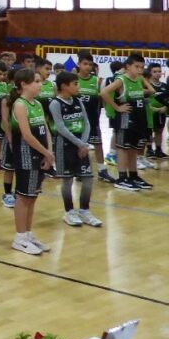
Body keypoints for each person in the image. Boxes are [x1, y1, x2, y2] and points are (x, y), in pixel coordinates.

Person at [48, 71, 102, 229]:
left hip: (81, 145)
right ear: (64, 86)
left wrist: (83, 144)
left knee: (88, 179)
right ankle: (69, 211)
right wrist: (80, 144)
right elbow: (60, 127)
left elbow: (87, 123)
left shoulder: (78, 100)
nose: (78, 86)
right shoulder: (55, 104)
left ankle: (84, 210)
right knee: (67, 180)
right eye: (75, 84)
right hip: (64, 145)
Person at [8, 69, 53, 255]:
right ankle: (19, 238)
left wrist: (49, 152)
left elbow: (46, 129)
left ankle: (27, 234)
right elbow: (26, 135)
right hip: (26, 156)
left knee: (32, 196)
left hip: (40, 155)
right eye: (36, 81)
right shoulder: (20, 105)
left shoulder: (38, 104)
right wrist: (46, 152)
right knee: (24, 197)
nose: (40, 84)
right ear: (24, 84)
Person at [100, 54, 155, 192]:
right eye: (137, 67)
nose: (140, 70)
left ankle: (133, 176)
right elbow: (104, 92)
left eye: (142, 67)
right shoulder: (121, 80)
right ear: (128, 66)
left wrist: (142, 80)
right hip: (125, 118)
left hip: (138, 117)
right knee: (123, 147)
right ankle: (122, 177)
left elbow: (152, 91)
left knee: (134, 148)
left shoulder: (138, 79)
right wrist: (117, 107)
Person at [75, 54, 113, 184]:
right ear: (79, 64)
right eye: (85, 64)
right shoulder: (73, 80)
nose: (88, 67)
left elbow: (104, 99)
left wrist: (110, 110)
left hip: (93, 120)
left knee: (98, 145)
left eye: (90, 64)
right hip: (76, 121)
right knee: (79, 146)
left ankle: (102, 170)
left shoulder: (98, 81)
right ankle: (81, 169)